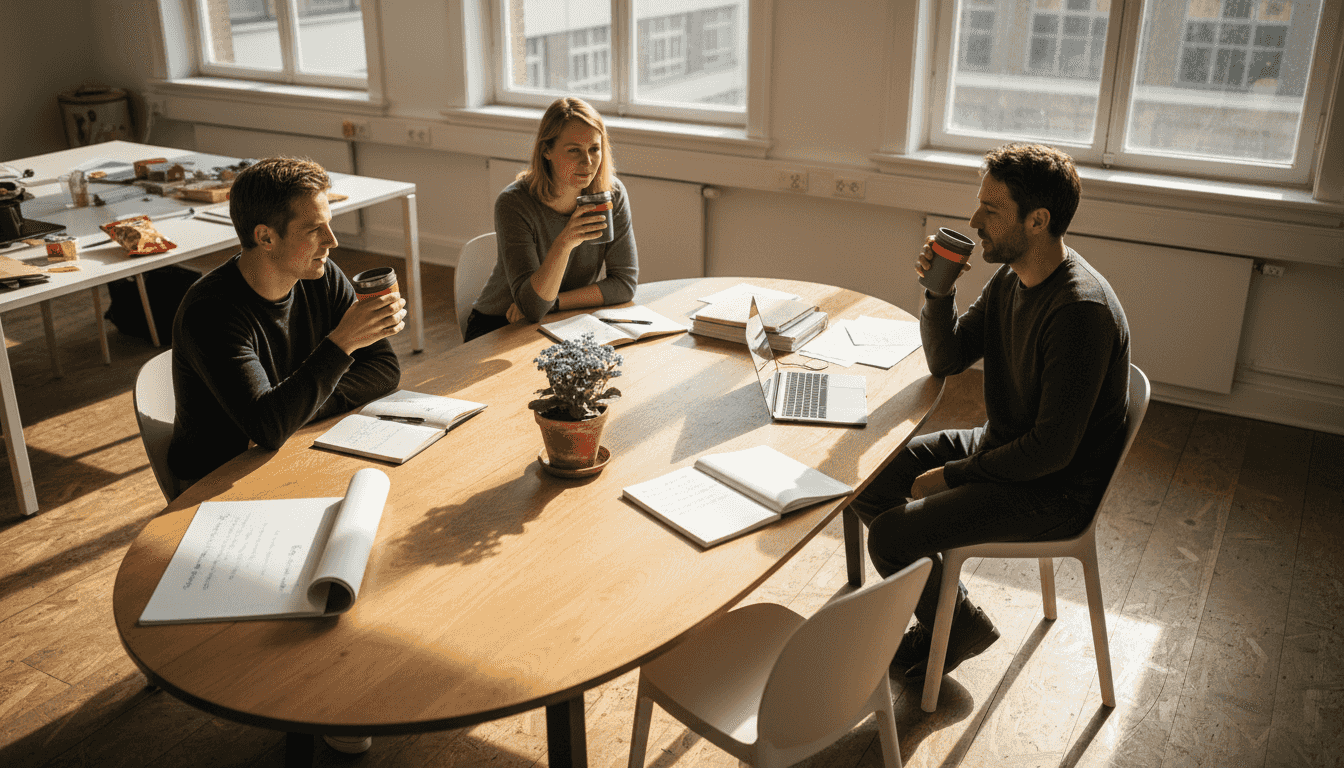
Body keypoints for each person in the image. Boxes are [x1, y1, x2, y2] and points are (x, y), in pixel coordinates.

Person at [848, 143, 1131, 679]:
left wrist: (951, 476)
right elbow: (948, 357)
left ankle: (948, 626)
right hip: (1004, 447)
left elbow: (1050, 452)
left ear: (1037, 220)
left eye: (991, 209)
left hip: (1053, 490)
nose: (974, 220)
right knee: (867, 480)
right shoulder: (1012, 278)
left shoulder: (1080, 312)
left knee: (889, 537)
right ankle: (956, 621)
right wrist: (938, 294)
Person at [168, 157, 405, 491]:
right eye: (314, 230)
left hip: (294, 448)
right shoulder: (210, 313)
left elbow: (384, 369)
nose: (332, 241)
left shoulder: (321, 275)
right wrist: (343, 343)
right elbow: (267, 428)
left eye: (329, 224)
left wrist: (299, 411)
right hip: (217, 482)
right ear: (266, 237)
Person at [464, 96, 638, 342]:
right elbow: (532, 307)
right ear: (546, 150)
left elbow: (624, 285)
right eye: (574, 150)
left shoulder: (611, 195)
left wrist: (556, 302)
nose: (587, 162)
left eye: (594, 149)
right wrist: (564, 243)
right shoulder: (514, 203)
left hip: (562, 317)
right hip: (500, 324)